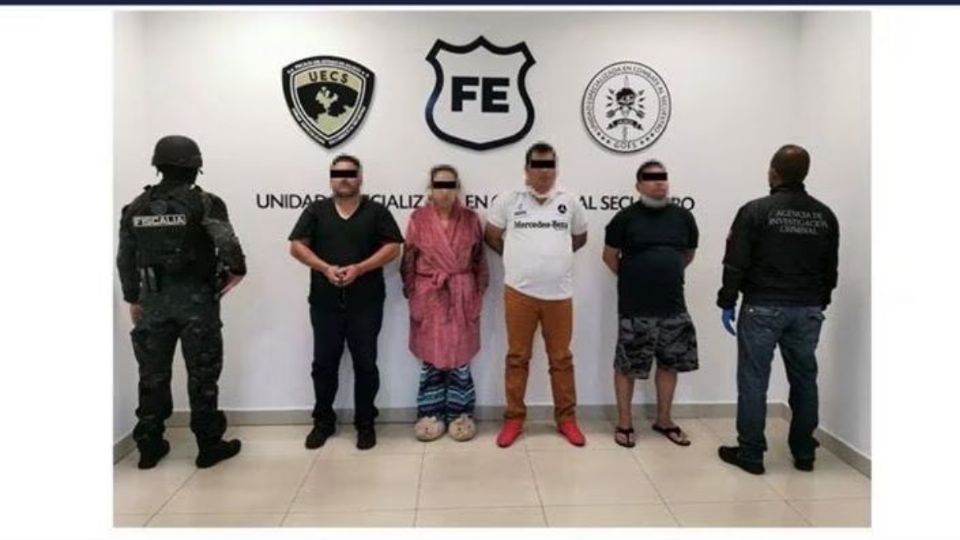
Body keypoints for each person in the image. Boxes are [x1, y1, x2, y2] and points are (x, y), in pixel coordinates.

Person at [116, 135, 246, 470]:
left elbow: (125, 258)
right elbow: (227, 245)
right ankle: (208, 446)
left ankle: (149, 446)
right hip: (197, 304)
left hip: (152, 304)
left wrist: (133, 298)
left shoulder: (136, 207)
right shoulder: (205, 202)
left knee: (152, 376)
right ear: (195, 167)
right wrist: (236, 272)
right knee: (202, 376)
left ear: (158, 166)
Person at [716, 144, 840, 475]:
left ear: (773, 172)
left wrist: (727, 300)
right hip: (807, 308)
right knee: (805, 379)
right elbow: (831, 268)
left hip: (762, 307)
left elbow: (735, 261)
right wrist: (821, 300)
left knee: (754, 379)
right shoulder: (825, 215)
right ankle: (804, 452)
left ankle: (751, 453)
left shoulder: (755, 211)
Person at [289, 154, 403, 451]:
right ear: (331, 179)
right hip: (324, 303)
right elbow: (297, 245)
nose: (344, 179)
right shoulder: (316, 210)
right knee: (323, 365)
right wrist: (325, 268)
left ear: (360, 178)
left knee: (366, 365)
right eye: (337, 174)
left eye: (350, 173)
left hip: (366, 303)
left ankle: (365, 423)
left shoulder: (376, 211)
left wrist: (360, 268)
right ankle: (323, 422)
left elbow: (393, 247)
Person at [484, 142, 589, 448]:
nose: (544, 172)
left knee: (562, 359)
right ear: (527, 169)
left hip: (559, 295)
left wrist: (553, 260)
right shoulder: (509, 200)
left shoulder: (570, 201)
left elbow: (579, 238)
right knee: (517, 357)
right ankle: (514, 418)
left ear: (556, 169)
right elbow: (492, 236)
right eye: (538, 165)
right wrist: (518, 260)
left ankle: (566, 419)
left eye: (549, 165)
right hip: (520, 293)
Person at [602, 160, 700, 448]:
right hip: (635, 308)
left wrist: (663, 271)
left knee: (670, 364)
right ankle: (625, 423)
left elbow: (688, 255)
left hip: (674, 306)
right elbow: (609, 256)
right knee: (627, 366)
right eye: (651, 178)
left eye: (663, 178)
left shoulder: (683, 217)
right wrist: (635, 277)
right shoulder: (625, 218)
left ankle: (664, 420)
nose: (659, 182)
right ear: (639, 185)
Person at [401, 165, 489, 442]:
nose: (445, 192)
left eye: (450, 185)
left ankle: (462, 413)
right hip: (430, 292)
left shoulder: (471, 219)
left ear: (457, 188)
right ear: (430, 189)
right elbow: (408, 259)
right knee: (432, 356)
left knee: (460, 357)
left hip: (461, 291)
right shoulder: (418, 219)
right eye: (439, 185)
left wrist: (477, 292)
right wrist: (413, 292)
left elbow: (479, 260)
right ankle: (430, 414)